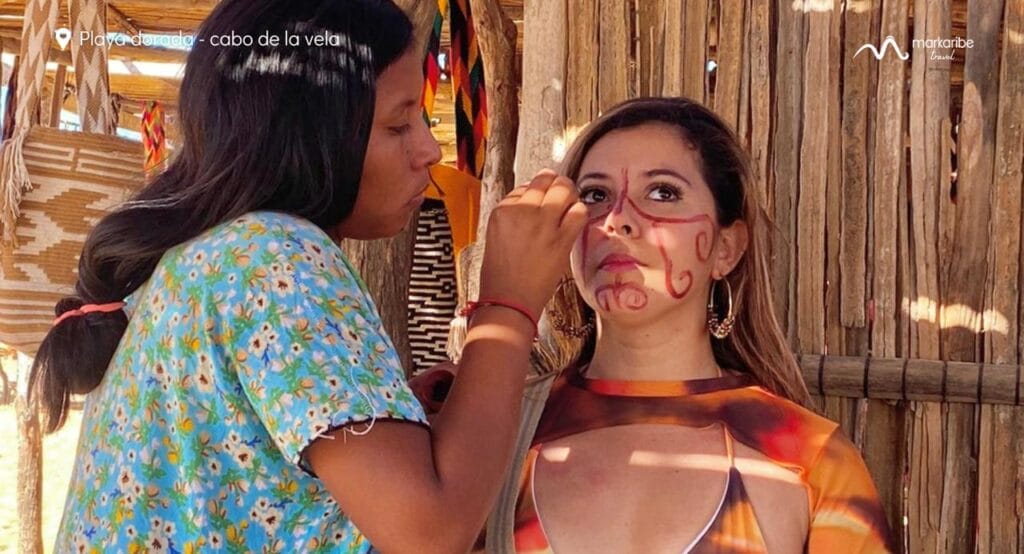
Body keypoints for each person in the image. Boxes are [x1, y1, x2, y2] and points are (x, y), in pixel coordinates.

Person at [29, 1, 586, 552]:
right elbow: (430, 531)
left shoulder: (216, 254)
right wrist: (508, 306)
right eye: (398, 124)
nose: (428, 148)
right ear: (304, 135)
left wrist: (391, 416)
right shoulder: (275, 258)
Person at [416, 97, 894, 553]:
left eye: (663, 192)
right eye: (595, 195)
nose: (617, 221)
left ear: (727, 249)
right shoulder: (492, 432)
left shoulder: (810, 458)